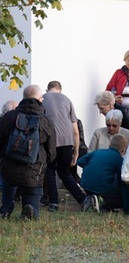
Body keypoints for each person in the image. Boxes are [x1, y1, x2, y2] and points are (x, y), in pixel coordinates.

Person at [0, 85, 56, 220]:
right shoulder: (45, 120)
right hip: (34, 167)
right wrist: (49, 163)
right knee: (32, 192)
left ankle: (6, 209)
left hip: (10, 165)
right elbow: (51, 148)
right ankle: (30, 209)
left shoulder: (9, 117)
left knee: (9, 182)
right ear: (39, 99)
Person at [43, 81, 87, 211]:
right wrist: (76, 153)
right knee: (64, 172)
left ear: (47, 89)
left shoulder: (43, 98)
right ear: (60, 90)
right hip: (67, 142)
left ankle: (53, 202)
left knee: (50, 171)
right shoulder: (67, 100)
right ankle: (82, 199)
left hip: (51, 142)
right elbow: (75, 130)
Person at [77, 134, 129, 213]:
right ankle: (102, 201)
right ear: (123, 150)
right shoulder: (119, 159)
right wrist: (127, 208)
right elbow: (122, 184)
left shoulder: (97, 152)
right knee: (117, 183)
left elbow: (80, 161)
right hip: (103, 189)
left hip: (85, 184)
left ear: (110, 145)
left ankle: (91, 199)